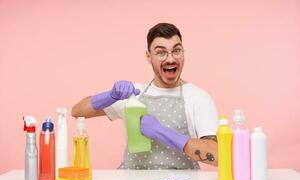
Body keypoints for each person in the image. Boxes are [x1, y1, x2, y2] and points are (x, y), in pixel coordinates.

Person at [72, 23, 219, 170]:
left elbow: (217, 155)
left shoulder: (197, 98)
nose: (170, 59)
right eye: (161, 52)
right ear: (148, 56)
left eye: (177, 50)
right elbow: (78, 111)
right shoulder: (134, 95)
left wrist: (161, 132)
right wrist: (110, 96)